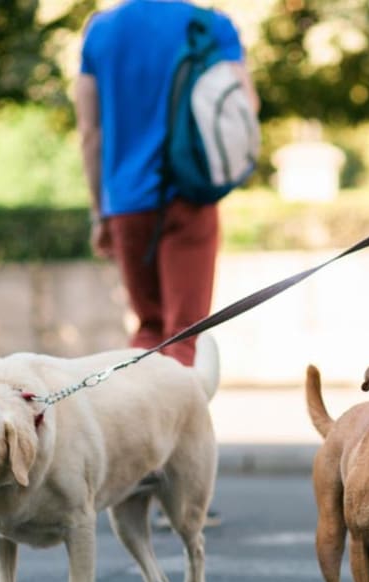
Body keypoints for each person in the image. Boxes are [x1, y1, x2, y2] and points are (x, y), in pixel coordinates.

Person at [74, 0, 258, 367]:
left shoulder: (100, 31)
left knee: (149, 328)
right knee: (184, 333)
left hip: (125, 202)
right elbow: (245, 104)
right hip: (188, 194)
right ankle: (178, 423)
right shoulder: (210, 25)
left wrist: (100, 214)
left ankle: (138, 421)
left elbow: (89, 132)